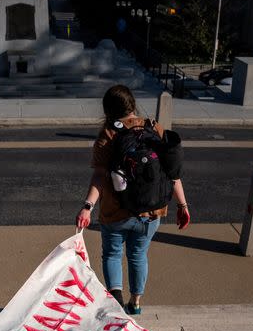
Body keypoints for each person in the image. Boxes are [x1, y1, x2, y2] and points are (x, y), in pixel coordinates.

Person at [76, 84, 190, 315]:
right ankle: (135, 303)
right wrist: (182, 205)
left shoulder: (108, 135)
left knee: (112, 254)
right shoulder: (154, 127)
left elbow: (99, 176)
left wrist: (87, 207)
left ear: (108, 109)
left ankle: (116, 302)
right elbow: (172, 172)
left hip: (116, 211)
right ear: (133, 105)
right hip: (152, 211)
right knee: (138, 255)